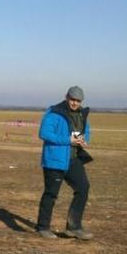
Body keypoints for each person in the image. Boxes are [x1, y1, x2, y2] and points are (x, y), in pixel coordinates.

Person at [36, 86, 93, 240]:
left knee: (83, 188)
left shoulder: (82, 114)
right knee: (51, 194)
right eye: (73, 99)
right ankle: (43, 227)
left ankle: (74, 227)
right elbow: (44, 133)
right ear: (66, 97)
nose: (75, 103)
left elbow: (86, 130)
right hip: (55, 160)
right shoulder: (54, 113)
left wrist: (83, 139)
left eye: (78, 101)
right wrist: (67, 140)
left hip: (74, 159)